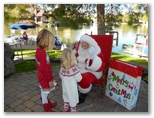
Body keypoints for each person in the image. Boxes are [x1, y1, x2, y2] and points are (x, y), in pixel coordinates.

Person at [72, 34, 106, 104]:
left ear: (90, 44)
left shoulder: (96, 51)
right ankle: (75, 88)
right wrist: (73, 52)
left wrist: (92, 58)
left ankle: (83, 93)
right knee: (70, 72)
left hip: (92, 71)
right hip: (80, 68)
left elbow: (98, 66)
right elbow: (74, 56)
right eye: (82, 42)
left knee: (83, 78)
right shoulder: (79, 49)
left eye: (85, 43)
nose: (83, 45)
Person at [35, 29, 57, 112]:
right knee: (45, 93)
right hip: (45, 77)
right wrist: (49, 80)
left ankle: (48, 103)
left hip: (42, 76)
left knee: (44, 91)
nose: (51, 43)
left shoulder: (39, 50)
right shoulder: (42, 53)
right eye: (50, 41)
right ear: (46, 41)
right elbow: (44, 69)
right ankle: (47, 108)